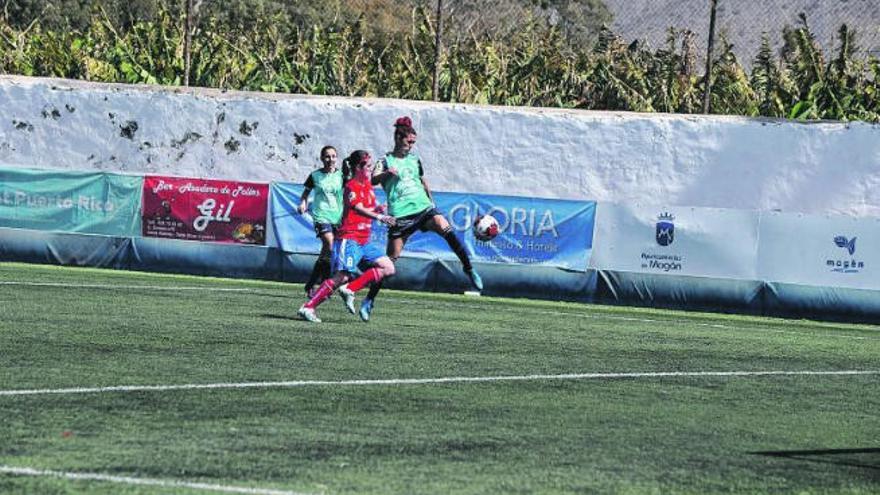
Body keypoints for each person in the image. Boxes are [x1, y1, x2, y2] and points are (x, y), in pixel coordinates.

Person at [358, 116, 482, 322]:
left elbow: (423, 181)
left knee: (445, 227)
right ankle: (369, 300)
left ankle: (468, 269)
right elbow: (372, 181)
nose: (411, 145)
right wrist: (387, 173)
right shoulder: (385, 160)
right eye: (409, 141)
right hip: (401, 215)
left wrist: (432, 203)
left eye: (413, 142)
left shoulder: (415, 160)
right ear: (398, 138)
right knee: (389, 264)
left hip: (423, 208)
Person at [298, 150, 397, 323]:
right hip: (349, 238)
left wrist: (379, 210)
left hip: (364, 240)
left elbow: (365, 210)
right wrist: (380, 217)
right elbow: (357, 207)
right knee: (341, 277)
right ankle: (308, 307)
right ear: (358, 167)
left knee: (388, 267)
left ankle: (350, 289)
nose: (370, 168)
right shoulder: (351, 185)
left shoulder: (367, 184)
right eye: (367, 165)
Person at [298, 145, 343, 297]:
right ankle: (325, 283)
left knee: (328, 253)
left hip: (337, 217)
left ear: (337, 158)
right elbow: (305, 193)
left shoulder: (342, 176)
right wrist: (303, 203)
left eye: (333, 156)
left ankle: (312, 284)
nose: (330, 159)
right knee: (329, 244)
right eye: (327, 156)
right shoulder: (315, 175)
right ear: (322, 158)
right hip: (321, 216)